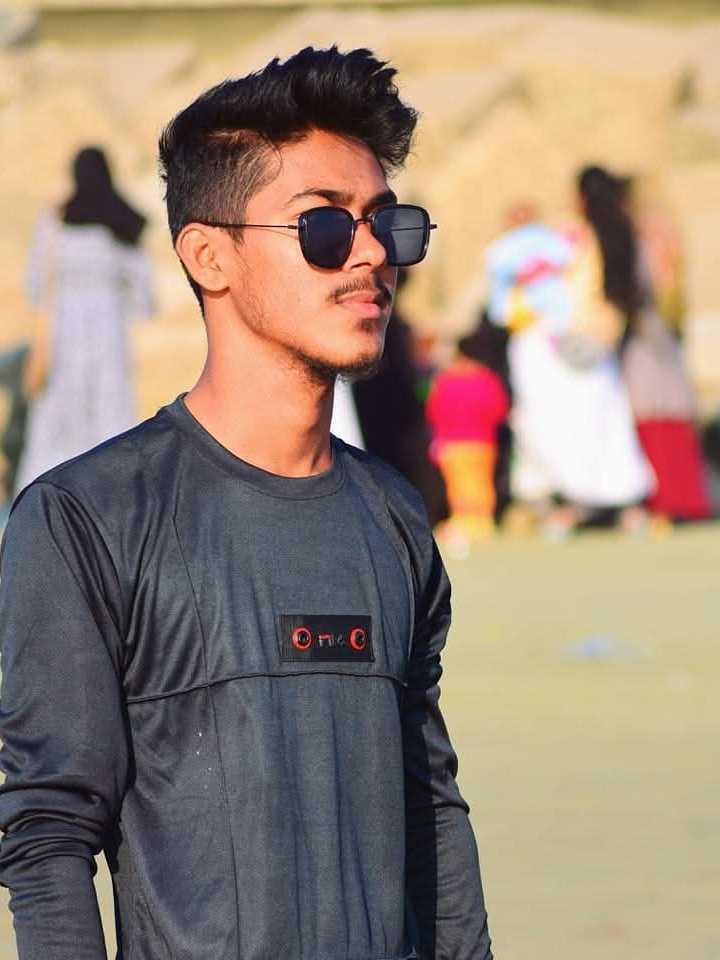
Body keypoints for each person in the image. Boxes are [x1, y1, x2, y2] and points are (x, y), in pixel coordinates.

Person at [0, 47, 493, 960]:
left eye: (388, 224)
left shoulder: (392, 516)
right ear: (209, 256)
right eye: (324, 226)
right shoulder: (84, 521)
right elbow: (49, 832)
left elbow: (429, 807)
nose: (372, 255)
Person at [486, 202, 653, 537]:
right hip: (542, 349)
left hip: (578, 344)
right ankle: (569, 502)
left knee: (598, 420)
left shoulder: (564, 247)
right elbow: (501, 309)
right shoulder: (506, 257)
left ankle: (618, 501)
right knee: (551, 426)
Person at [13, 146, 154, 493]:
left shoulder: (56, 220)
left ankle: (48, 498)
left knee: (60, 416)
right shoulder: (121, 224)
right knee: (110, 411)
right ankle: (113, 497)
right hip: (109, 333)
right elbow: (143, 295)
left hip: (65, 333)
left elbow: (36, 282)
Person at [578, 166, 711, 522]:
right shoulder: (641, 233)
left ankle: (676, 499)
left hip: (646, 333)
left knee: (656, 408)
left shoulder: (639, 235)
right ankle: (677, 498)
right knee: (663, 407)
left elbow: (650, 286)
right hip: (652, 333)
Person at [426, 334, 510, 550]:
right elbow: (500, 410)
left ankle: (465, 523)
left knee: (458, 485)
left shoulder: (446, 380)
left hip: (452, 443)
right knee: (481, 482)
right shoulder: (487, 378)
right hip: (482, 442)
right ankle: (482, 523)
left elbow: (434, 411)